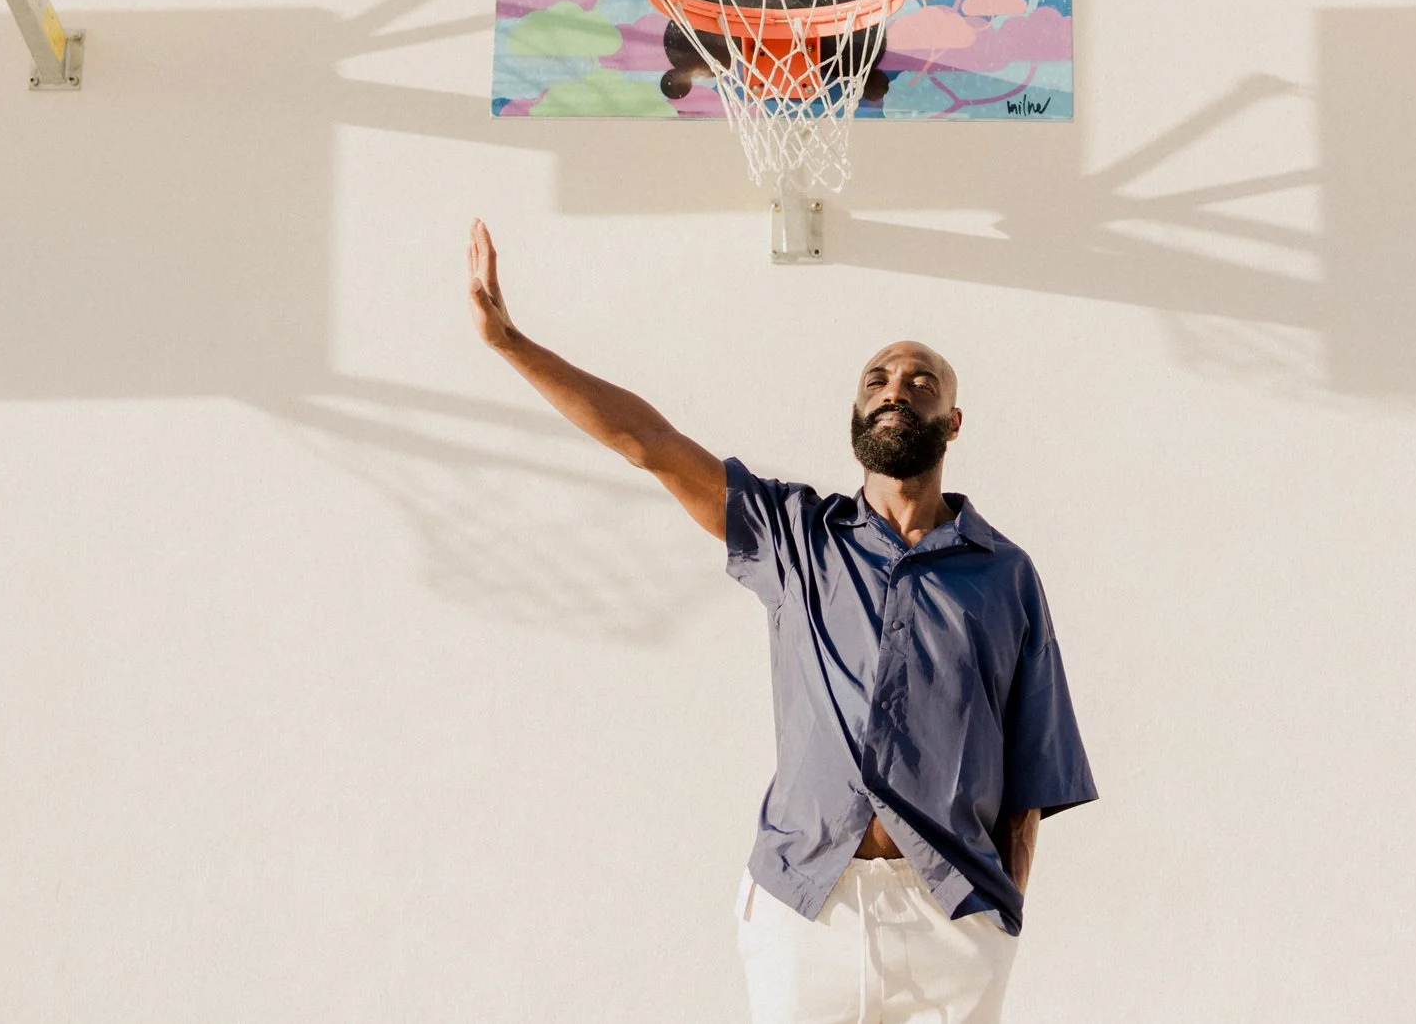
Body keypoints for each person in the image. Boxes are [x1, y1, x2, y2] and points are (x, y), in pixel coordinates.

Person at [466, 220, 1095, 1024]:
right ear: (857, 410)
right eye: (877, 378)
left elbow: (1032, 769)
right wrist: (511, 343)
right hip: (806, 907)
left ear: (954, 419)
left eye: (922, 379)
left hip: (952, 924)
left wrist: (999, 924)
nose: (896, 388)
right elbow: (649, 443)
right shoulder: (794, 536)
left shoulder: (1006, 574)